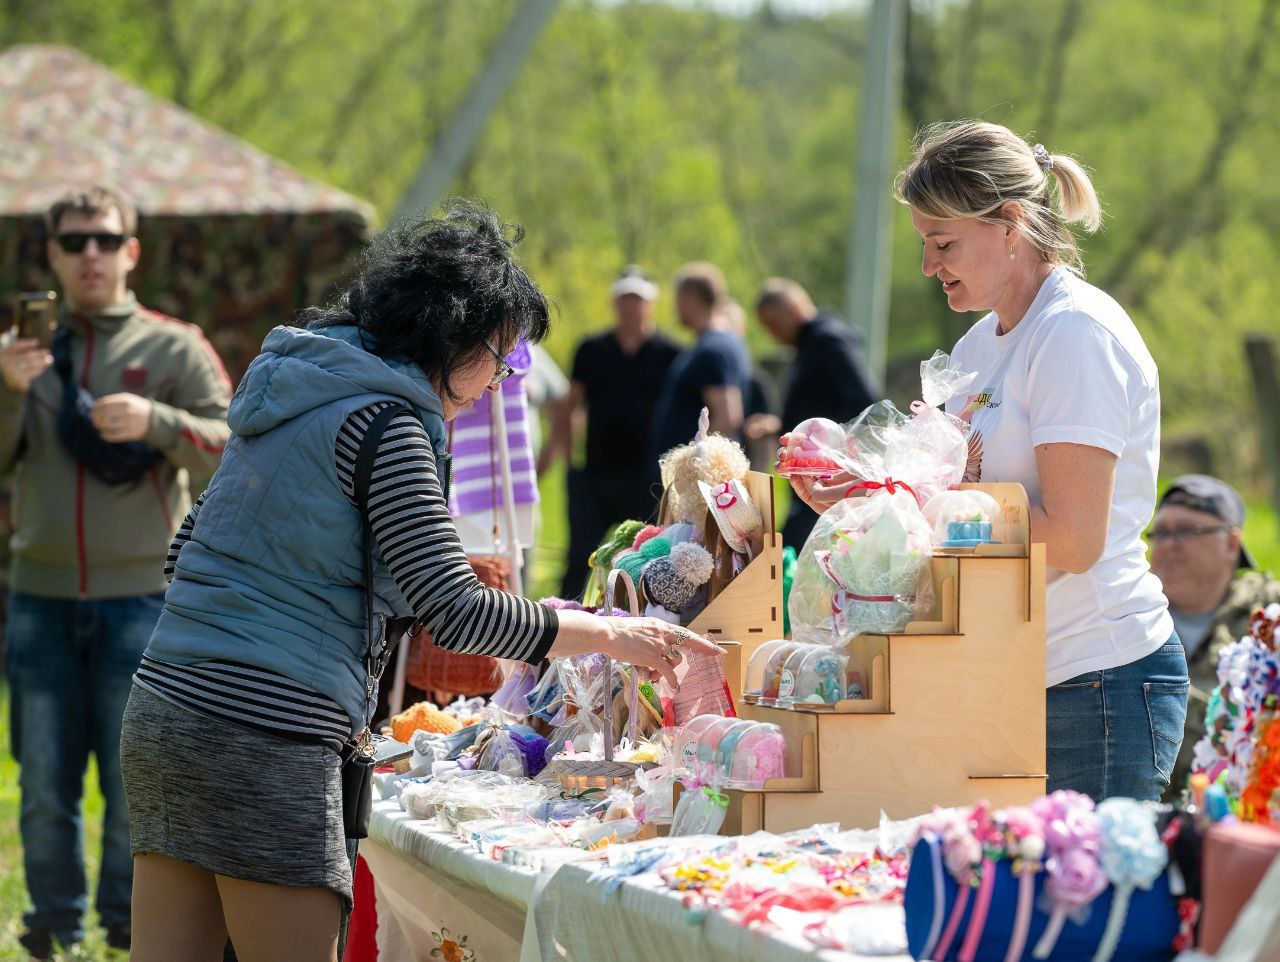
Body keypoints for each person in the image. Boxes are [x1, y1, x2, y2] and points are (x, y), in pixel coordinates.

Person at [120, 204, 721, 962]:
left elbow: (190, 552)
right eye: (499, 360)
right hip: (267, 731)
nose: (502, 385)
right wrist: (611, 633)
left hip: (166, 707)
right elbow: (458, 613)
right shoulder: (389, 424)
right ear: (449, 336)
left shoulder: (291, 389)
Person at [790, 121, 1187, 802]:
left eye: (942, 243)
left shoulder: (1073, 335)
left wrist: (926, 504)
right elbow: (957, 502)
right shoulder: (977, 347)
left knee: (1084, 905)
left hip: (1096, 680)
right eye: (923, 243)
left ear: (1010, 224)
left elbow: (1072, 539)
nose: (927, 265)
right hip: (1001, 671)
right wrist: (872, 502)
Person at [0, 186, 231, 958]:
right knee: (41, 784)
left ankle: (135, 926)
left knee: (142, 782)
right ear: (54, 256)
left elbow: (236, 448)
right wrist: (8, 394)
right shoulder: (19, 354)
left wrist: (157, 421)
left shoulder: (176, 347)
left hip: (144, 601)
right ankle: (53, 925)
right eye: (73, 242)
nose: (89, 254)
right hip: (40, 597)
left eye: (105, 239)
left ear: (132, 251)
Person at [1149, 474, 1280, 799]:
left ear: (1231, 544)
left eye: (1187, 531)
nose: (1168, 544)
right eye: (1160, 532)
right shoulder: (1125, 617)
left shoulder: (1269, 618)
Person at [560, 266, 680, 598]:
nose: (631, 306)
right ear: (615, 303)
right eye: (625, 299)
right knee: (579, 557)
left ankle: (639, 624)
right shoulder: (591, 349)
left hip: (647, 477)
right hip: (596, 475)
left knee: (645, 557)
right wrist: (570, 462)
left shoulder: (670, 353)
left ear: (650, 304)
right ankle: (560, 626)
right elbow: (570, 404)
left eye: (638, 299)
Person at [755, 277, 878, 550]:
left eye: (773, 324)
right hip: (811, 472)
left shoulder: (827, 339)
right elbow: (818, 402)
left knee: (792, 549)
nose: (773, 334)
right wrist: (780, 426)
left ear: (794, 308)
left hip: (827, 475)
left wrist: (829, 444)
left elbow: (863, 400)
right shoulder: (810, 343)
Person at [650, 261, 750, 460]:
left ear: (691, 298)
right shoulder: (720, 342)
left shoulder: (714, 349)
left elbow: (727, 417)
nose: (675, 307)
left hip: (697, 482)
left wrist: (696, 465)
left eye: (677, 298)